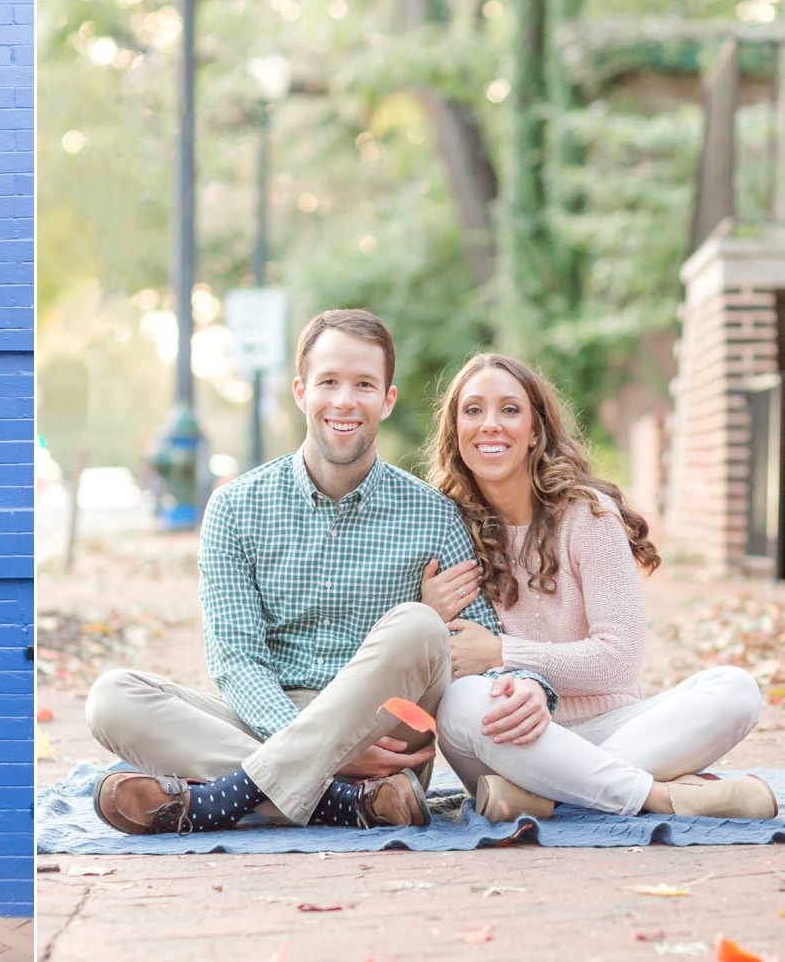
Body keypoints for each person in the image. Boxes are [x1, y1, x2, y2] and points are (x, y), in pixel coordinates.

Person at [86, 309, 556, 835]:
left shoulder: (434, 514)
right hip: (273, 722)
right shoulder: (235, 509)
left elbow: (484, 648)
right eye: (328, 382)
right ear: (300, 392)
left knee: (421, 625)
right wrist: (316, 746)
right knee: (113, 697)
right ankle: (342, 801)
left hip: (383, 733)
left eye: (364, 384)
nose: (345, 401)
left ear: (388, 399)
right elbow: (237, 660)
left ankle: (221, 799)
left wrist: (534, 684)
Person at [426, 353, 776, 822]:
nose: (490, 424)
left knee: (736, 689)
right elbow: (453, 666)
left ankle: (546, 797)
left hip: (616, 731)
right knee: (457, 706)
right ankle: (657, 796)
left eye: (509, 409)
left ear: (535, 431)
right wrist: (431, 618)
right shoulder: (444, 528)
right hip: (513, 739)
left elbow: (619, 659)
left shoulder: (586, 515)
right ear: (456, 432)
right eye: (473, 410)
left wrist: (504, 654)